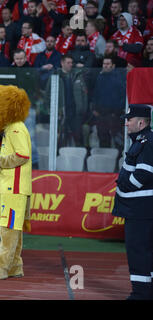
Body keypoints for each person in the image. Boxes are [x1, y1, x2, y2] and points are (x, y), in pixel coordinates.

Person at [0, 85, 32, 281]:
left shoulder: (15, 128)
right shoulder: (13, 127)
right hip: (12, 187)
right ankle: (14, 265)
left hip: (14, 188)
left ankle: (0, 267)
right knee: (13, 228)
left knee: (7, 229)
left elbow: (21, 155)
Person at [112, 104, 153, 300]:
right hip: (141, 209)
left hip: (140, 210)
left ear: (141, 122)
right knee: (145, 251)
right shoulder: (142, 140)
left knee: (138, 251)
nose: (126, 123)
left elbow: (144, 173)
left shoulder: (147, 141)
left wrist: (125, 185)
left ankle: (141, 294)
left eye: (129, 119)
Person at [90, 57, 126, 149]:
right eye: (104, 64)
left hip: (114, 114)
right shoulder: (100, 77)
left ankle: (118, 160)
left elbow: (122, 96)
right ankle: (105, 160)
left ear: (113, 66)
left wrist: (117, 112)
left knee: (118, 139)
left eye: (108, 64)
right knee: (103, 138)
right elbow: (95, 94)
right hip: (101, 114)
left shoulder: (119, 78)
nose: (105, 66)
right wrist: (94, 109)